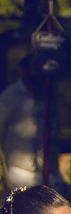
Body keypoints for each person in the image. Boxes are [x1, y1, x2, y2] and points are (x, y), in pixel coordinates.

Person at [0, 54, 44, 191]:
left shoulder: (46, 95)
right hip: (17, 169)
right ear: (24, 70)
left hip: (42, 169)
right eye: (34, 68)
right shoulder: (10, 95)